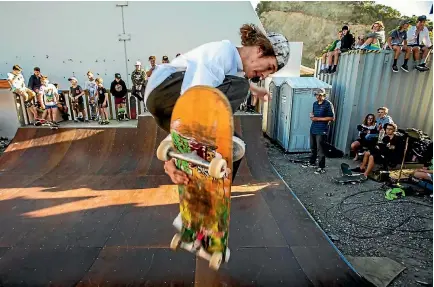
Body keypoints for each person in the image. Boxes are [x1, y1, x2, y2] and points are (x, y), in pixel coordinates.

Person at [144, 23, 290, 185]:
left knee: (234, 146)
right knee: (240, 86)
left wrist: (174, 153)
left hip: (168, 108)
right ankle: (190, 136)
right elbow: (196, 90)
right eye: (269, 67)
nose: (264, 76)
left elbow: (218, 84)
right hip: (164, 87)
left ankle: (204, 190)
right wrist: (184, 132)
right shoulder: (223, 52)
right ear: (260, 49)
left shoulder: (235, 70)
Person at [302, 88, 335, 174]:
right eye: (316, 95)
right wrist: (312, 115)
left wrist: (317, 118)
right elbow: (313, 114)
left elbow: (332, 118)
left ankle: (321, 167)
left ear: (324, 95)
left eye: (320, 95)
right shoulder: (315, 104)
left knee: (321, 149)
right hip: (313, 128)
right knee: (313, 147)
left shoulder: (328, 104)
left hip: (322, 130)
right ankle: (312, 162)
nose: (318, 96)